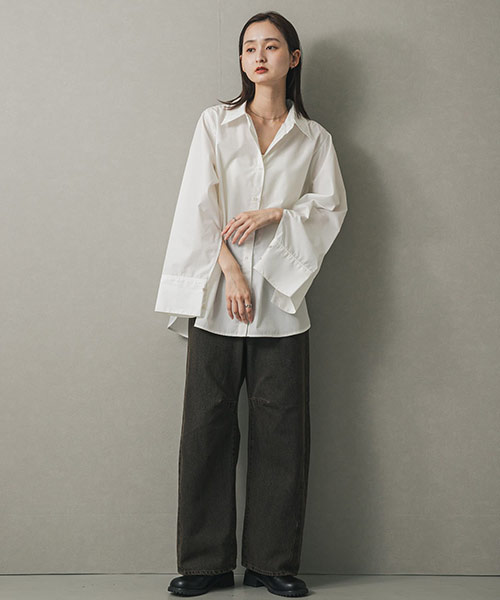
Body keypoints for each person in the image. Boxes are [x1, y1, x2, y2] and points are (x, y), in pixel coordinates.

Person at [154, 10, 348, 598]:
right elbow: (197, 205)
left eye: (271, 46)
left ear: (293, 57)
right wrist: (231, 270)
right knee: (205, 430)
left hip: (282, 306)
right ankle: (204, 564)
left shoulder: (314, 139)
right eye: (248, 48)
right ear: (241, 60)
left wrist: (276, 215)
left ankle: (272, 562)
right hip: (218, 298)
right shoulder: (216, 124)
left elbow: (330, 209)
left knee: (283, 435)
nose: (259, 56)